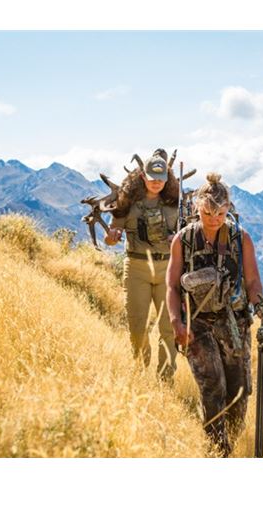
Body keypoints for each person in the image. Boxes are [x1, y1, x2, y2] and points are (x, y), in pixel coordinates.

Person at [166, 173, 263, 456]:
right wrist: (176, 323)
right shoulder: (183, 240)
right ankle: (216, 452)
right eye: (206, 213)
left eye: (220, 214)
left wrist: (261, 306)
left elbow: (252, 282)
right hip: (198, 324)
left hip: (234, 324)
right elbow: (172, 286)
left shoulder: (241, 239)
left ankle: (230, 444)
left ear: (228, 210)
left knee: (238, 393)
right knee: (213, 387)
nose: (213, 219)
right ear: (196, 209)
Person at [104, 149, 179, 381]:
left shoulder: (176, 204)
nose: (156, 182)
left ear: (167, 178)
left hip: (167, 269)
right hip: (137, 268)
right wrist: (112, 237)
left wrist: (176, 240)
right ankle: (140, 372)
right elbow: (110, 236)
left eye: (161, 178)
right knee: (137, 326)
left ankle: (165, 380)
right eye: (152, 177)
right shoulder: (126, 202)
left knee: (169, 328)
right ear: (143, 176)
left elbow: (187, 238)